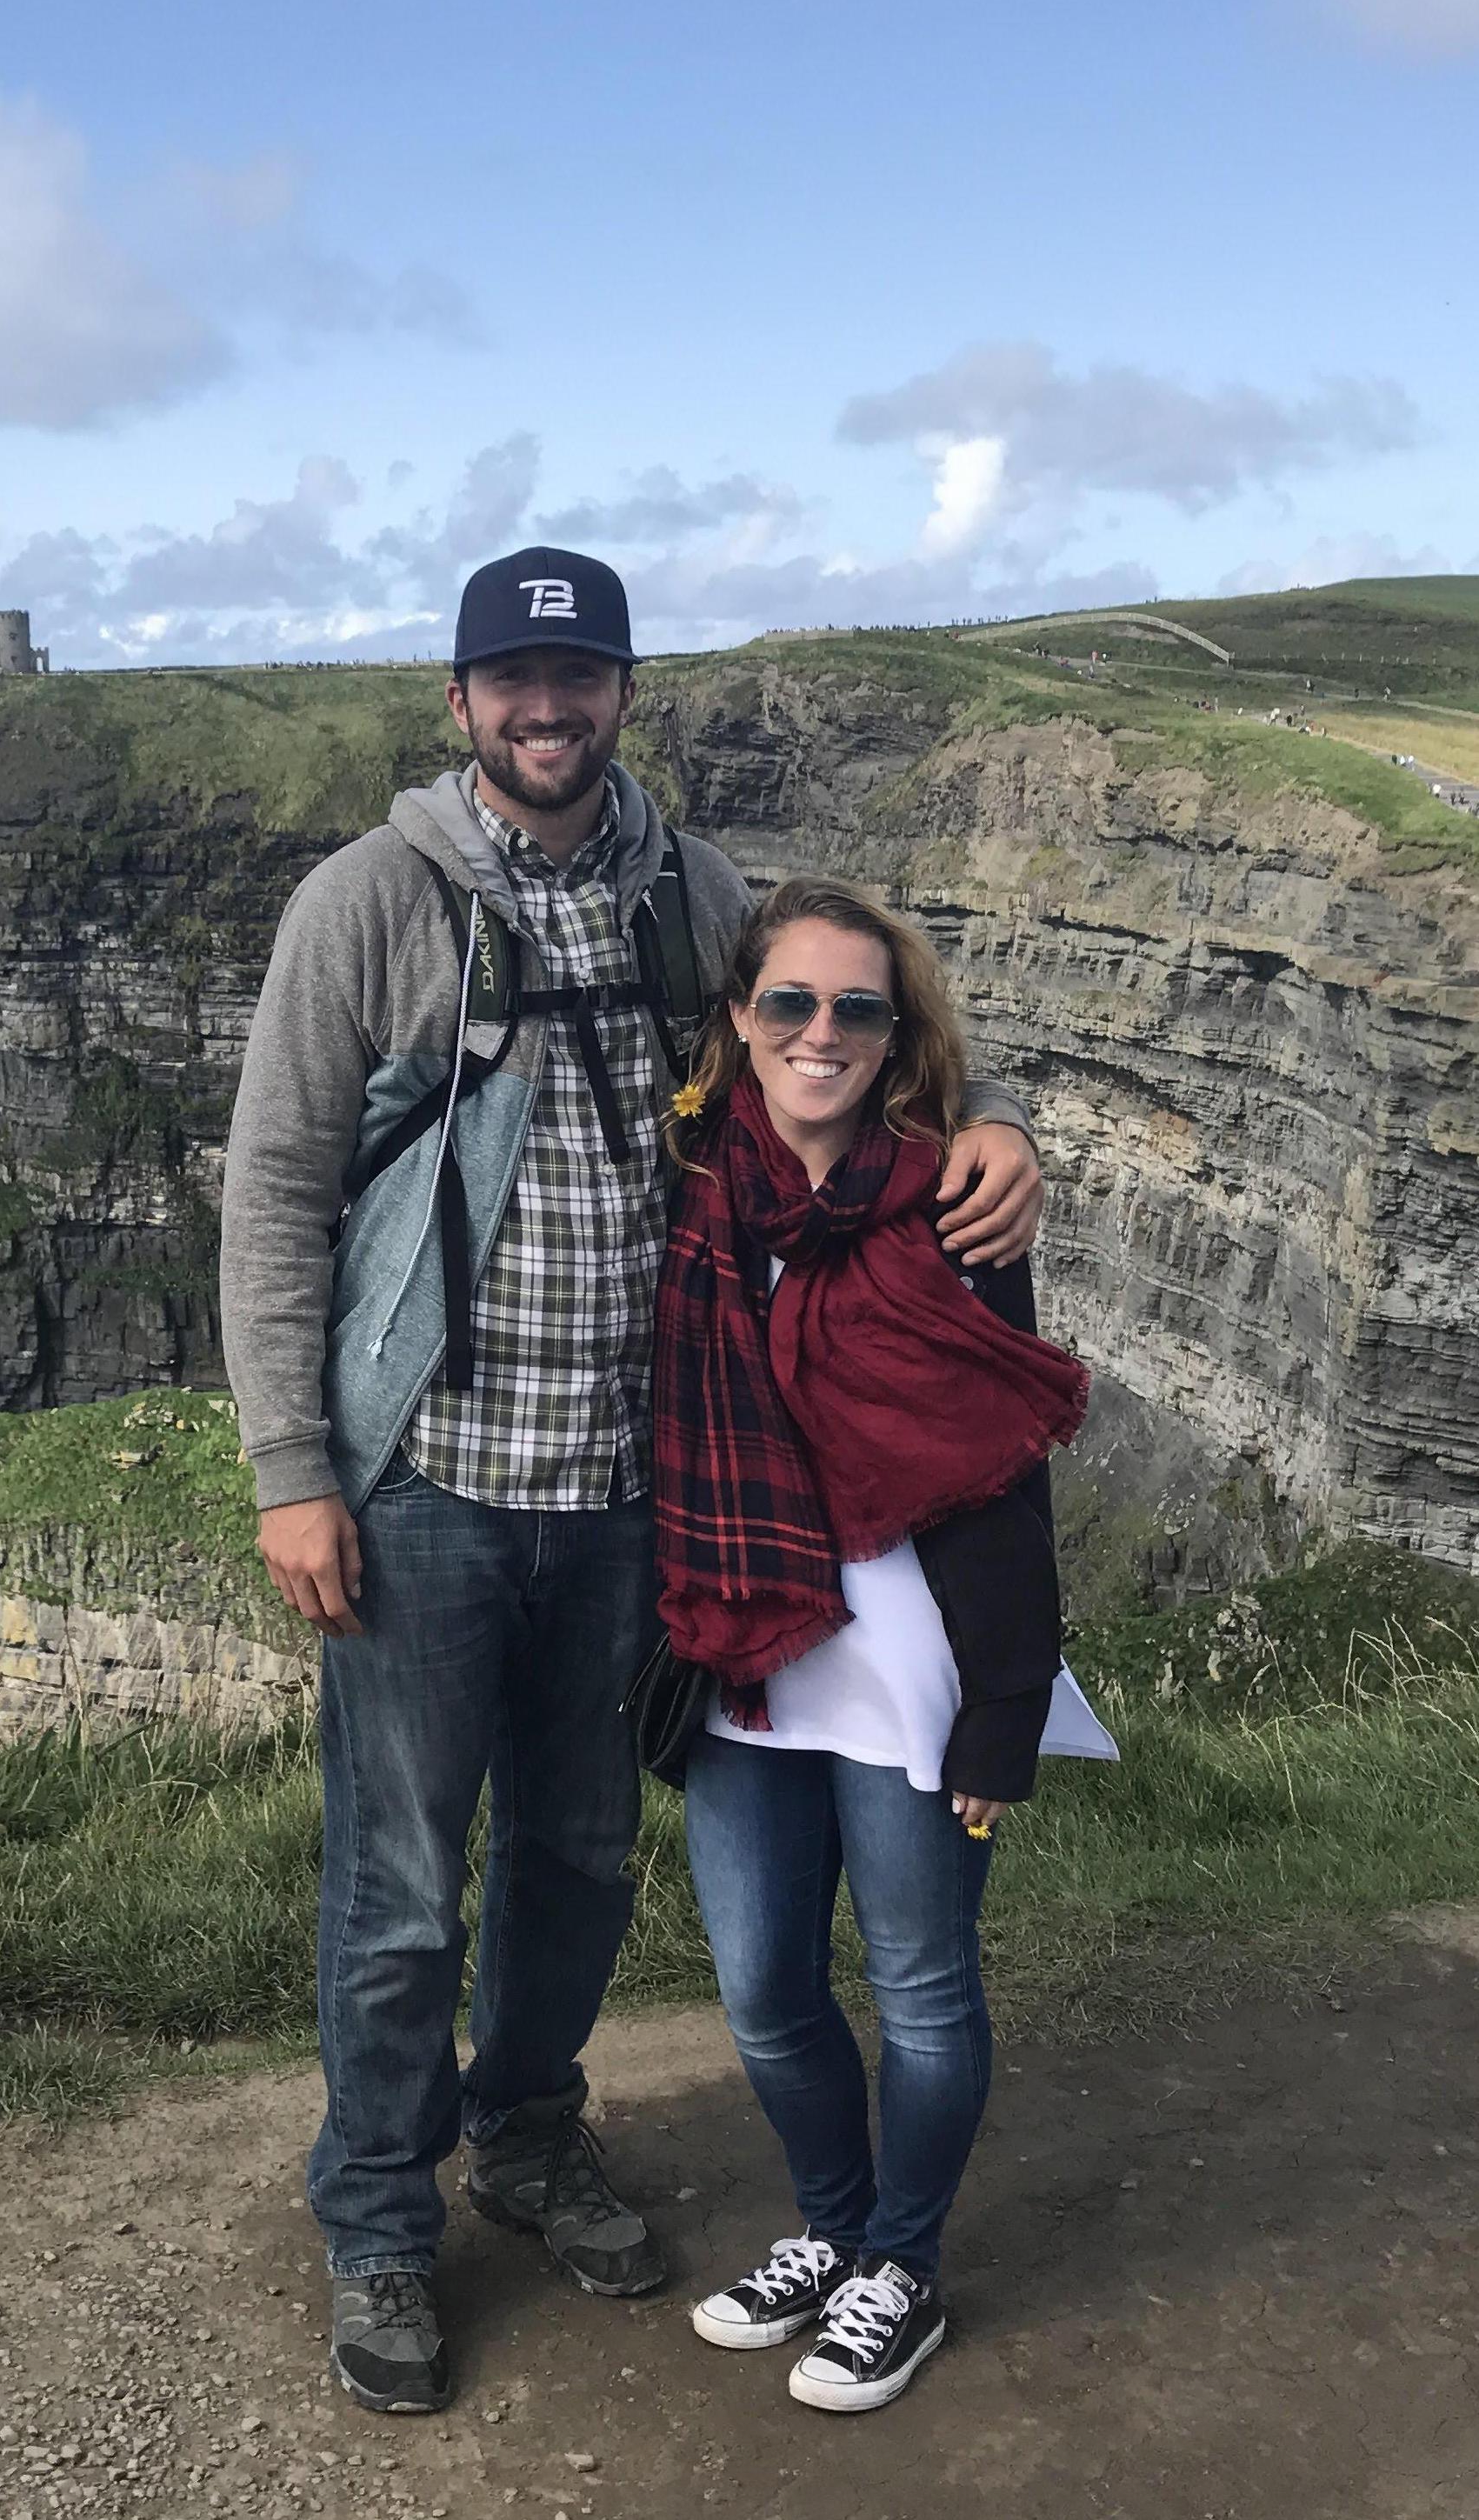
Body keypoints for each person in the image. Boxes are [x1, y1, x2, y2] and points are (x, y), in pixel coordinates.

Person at [218, 547, 1046, 2417]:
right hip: (426, 1477)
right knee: (404, 1881)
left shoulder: (697, 896)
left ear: (620, 693)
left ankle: (524, 2138)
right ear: (458, 703)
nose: (544, 707)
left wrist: (1000, 1127)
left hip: (632, 1492)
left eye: (575, 676)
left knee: (582, 1863)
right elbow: (273, 1188)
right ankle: (374, 2216)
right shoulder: (368, 902)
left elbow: (851, 1061)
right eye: (510, 680)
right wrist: (295, 1467)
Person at [652, 877, 1115, 2415]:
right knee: (765, 1987)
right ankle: (829, 2229)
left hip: (907, 1661)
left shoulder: (956, 1204)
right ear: (738, 1019)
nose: (821, 1031)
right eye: (789, 1002)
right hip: (746, 1645)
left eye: (858, 1007)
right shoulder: (684, 1181)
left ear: (899, 1032)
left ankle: (900, 2264)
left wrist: (1005, 1704)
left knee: (919, 1984)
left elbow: (994, 1461)